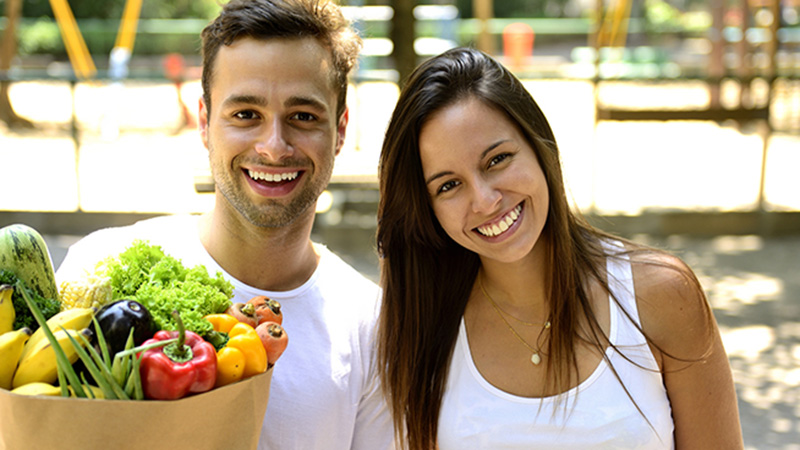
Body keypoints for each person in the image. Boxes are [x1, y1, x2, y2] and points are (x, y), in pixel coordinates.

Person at [56, 1, 393, 448]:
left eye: (303, 117)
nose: (274, 147)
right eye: (246, 114)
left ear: (341, 129)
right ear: (205, 122)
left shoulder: (374, 327)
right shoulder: (99, 268)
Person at [375, 47, 743, 450]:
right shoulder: (419, 325)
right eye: (448, 185)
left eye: (497, 160)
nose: (483, 200)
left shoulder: (660, 293)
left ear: (540, 148)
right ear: (427, 210)